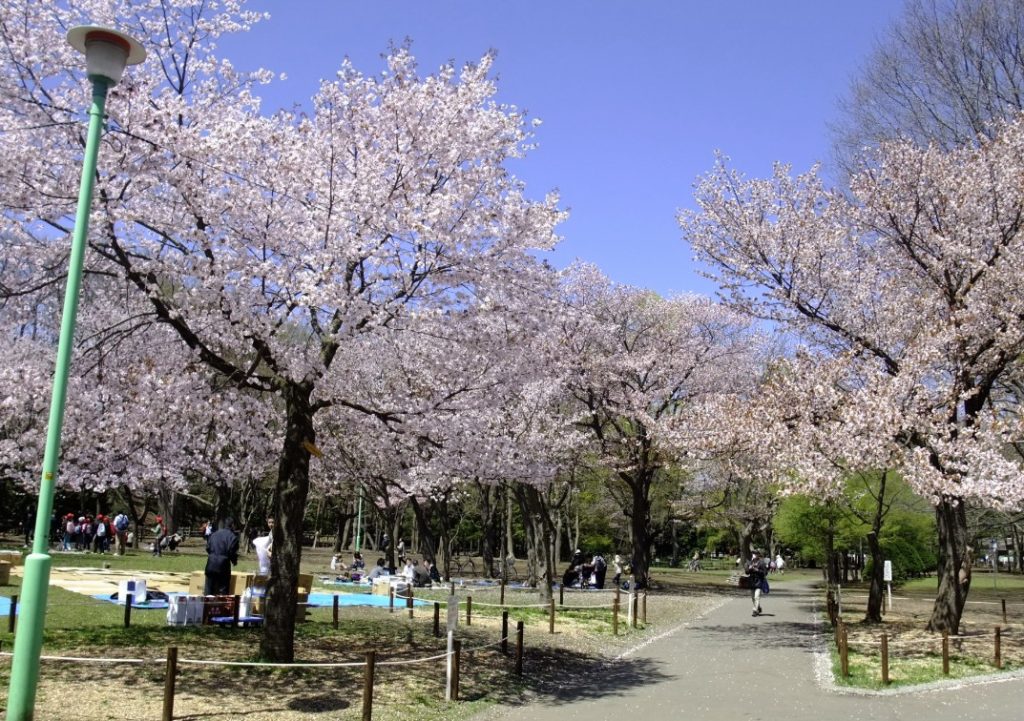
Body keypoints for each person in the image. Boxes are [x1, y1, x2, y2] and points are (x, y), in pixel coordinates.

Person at [204, 517, 240, 595]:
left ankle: (206, 606)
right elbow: (232, 552)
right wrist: (234, 561)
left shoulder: (214, 534)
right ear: (232, 525)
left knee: (208, 590)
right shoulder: (233, 537)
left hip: (211, 563)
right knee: (223, 591)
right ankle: (221, 606)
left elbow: (207, 548)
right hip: (223, 565)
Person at [746, 550, 769, 617]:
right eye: (753, 554)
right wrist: (749, 569)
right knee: (753, 597)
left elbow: (765, 573)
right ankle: (758, 607)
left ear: (758, 555)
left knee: (757, 597)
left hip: (759, 581)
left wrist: (757, 570)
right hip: (752, 581)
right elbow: (747, 572)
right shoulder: (750, 562)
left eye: (755, 554)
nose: (754, 555)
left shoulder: (762, 563)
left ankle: (755, 610)